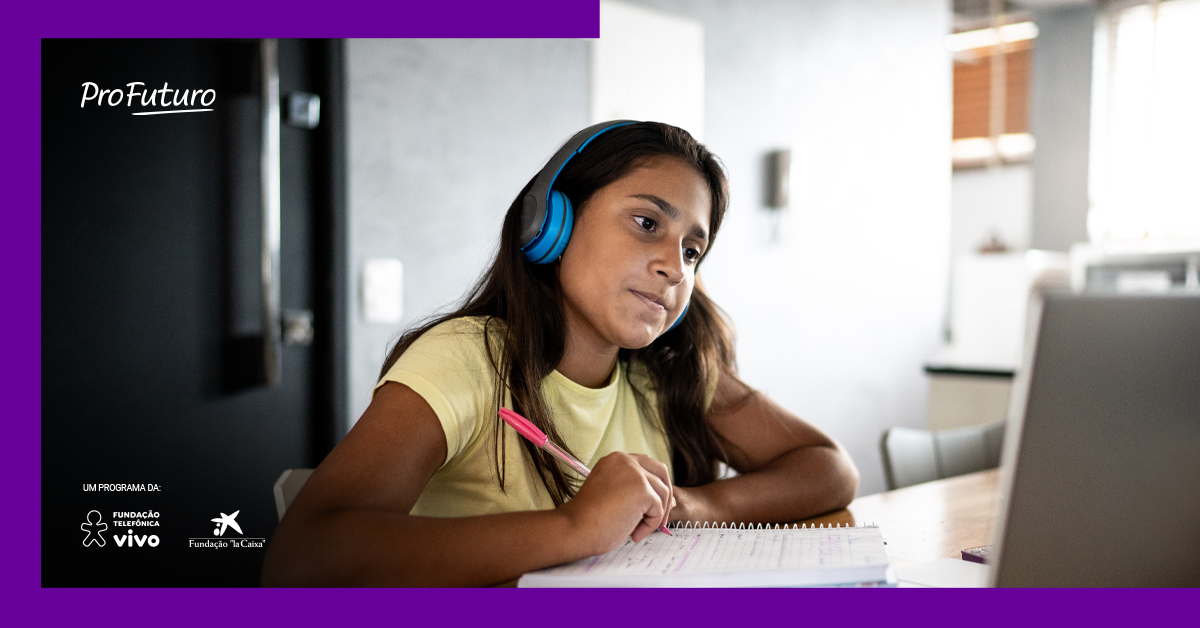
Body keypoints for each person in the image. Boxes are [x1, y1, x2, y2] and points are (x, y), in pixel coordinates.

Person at [261, 121, 859, 587]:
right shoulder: (468, 360)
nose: (674, 266)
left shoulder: (662, 372)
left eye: (693, 250)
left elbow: (828, 467)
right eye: (647, 222)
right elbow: (302, 560)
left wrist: (692, 503)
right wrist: (577, 527)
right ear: (552, 223)